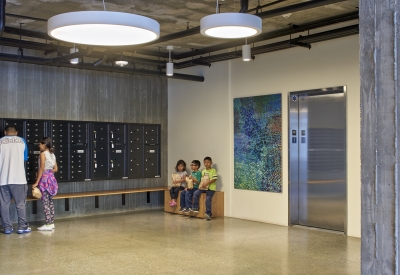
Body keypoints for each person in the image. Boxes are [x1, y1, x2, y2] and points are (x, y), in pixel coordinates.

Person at [0, 125, 30, 234]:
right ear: (16, 133)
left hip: (3, 179)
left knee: (4, 204)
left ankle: (7, 228)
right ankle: (22, 226)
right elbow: (25, 158)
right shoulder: (21, 141)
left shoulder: (0, 141)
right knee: (20, 204)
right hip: (19, 179)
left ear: (5, 132)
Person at [32, 137, 58, 231]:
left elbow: (42, 168)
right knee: (50, 201)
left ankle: (47, 224)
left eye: (40, 144)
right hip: (51, 179)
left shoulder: (43, 154)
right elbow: (56, 169)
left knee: (45, 202)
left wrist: (36, 182)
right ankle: (51, 223)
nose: (39, 146)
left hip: (44, 180)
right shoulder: (52, 154)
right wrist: (50, 171)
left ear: (44, 145)